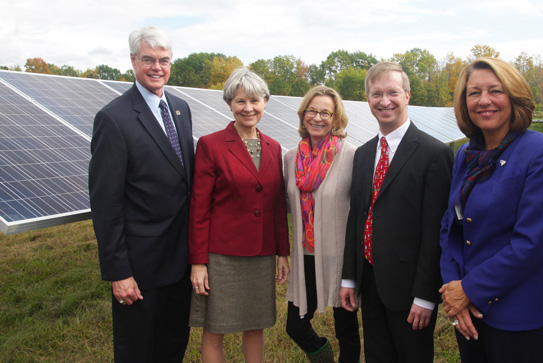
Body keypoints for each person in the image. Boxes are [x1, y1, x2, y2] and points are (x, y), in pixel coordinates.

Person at [439, 57, 543, 363]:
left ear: (513, 96)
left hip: (517, 317)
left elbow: (531, 243)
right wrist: (454, 293)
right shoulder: (466, 154)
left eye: (495, 91)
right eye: (474, 93)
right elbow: (450, 226)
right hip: (467, 311)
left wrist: (469, 289)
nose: (484, 101)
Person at [88, 25, 194, 362]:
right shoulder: (114, 118)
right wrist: (119, 272)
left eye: (164, 60)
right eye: (148, 59)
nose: (156, 68)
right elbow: (106, 203)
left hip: (181, 260)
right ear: (134, 61)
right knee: (137, 350)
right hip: (141, 266)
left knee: (173, 343)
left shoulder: (180, 108)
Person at [339, 62, 453, 362]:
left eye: (393, 92)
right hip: (370, 280)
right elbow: (357, 218)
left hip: (409, 287)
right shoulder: (363, 153)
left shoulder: (434, 154)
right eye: (376, 94)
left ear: (407, 96)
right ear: (368, 99)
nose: (384, 101)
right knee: (377, 355)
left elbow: (436, 231)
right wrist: (349, 278)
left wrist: (426, 295)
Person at [188, 67, 290, 363]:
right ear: (230, 104)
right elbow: (199, 207)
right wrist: (198, 262)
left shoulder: (274, 147)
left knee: (255, 324)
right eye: (240, 101)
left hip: (260, 253)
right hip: (221, 255)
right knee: (215, 327)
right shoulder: (211, 144)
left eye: (255, 101)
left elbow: (276, 205)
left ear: (265, 103)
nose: (248, 108)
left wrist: (282, 253)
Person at [284, 85, 361, 363]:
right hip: (305, 255)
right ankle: (324, 358)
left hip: (340, 257)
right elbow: (283, 205)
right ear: (303, 114)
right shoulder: (291, 158)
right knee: (295, 325)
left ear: (336, 118)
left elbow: (361, 210)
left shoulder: (351, 156)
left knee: (347, 330)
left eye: (325, 112)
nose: (317, 118)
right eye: (311, 111)